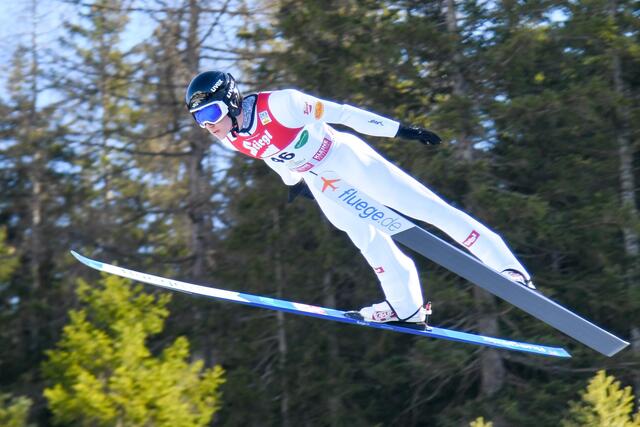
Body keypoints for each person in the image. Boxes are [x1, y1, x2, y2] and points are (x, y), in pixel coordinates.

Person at [185, 70, 534, 325]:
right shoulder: (229, 137)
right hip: (322, 182)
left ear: (230, 100)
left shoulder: (282, 104)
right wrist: (293, 183)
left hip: (345, 158)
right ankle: (406, 307)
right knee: (367, 239)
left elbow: (344, 114)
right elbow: (274, 157)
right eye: (199, 120)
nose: (208, 125)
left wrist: (400, 131)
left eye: (210, 114)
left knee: (426, 209)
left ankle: (507, 268)